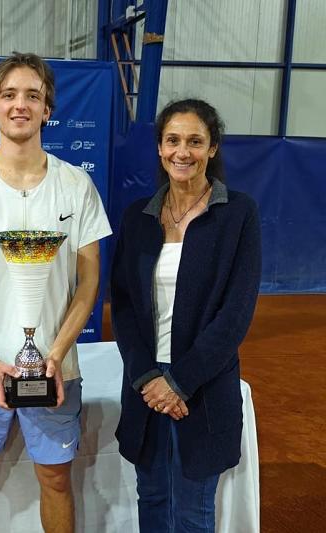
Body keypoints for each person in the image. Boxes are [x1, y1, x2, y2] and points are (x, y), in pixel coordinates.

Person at [0, 53, 112, 533]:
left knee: (55, 480)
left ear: (47, 109)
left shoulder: (76, 185)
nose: (20, 105)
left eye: (33, 95)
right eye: (8, 95)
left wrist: (56, 355)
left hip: (55, 369)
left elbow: (89, 281)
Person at [110, 98, 261, 532]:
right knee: (153, 498)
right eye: (173, 140)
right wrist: (148, 378)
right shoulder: (138, 217)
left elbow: (235, 314)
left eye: (195, 141)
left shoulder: (238, 214)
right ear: (160, 147)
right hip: (145, 385)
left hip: (203, 384)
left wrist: (178, 382)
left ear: (212, 148)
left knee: (194, 511)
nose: (183, 152)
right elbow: (123, 304)